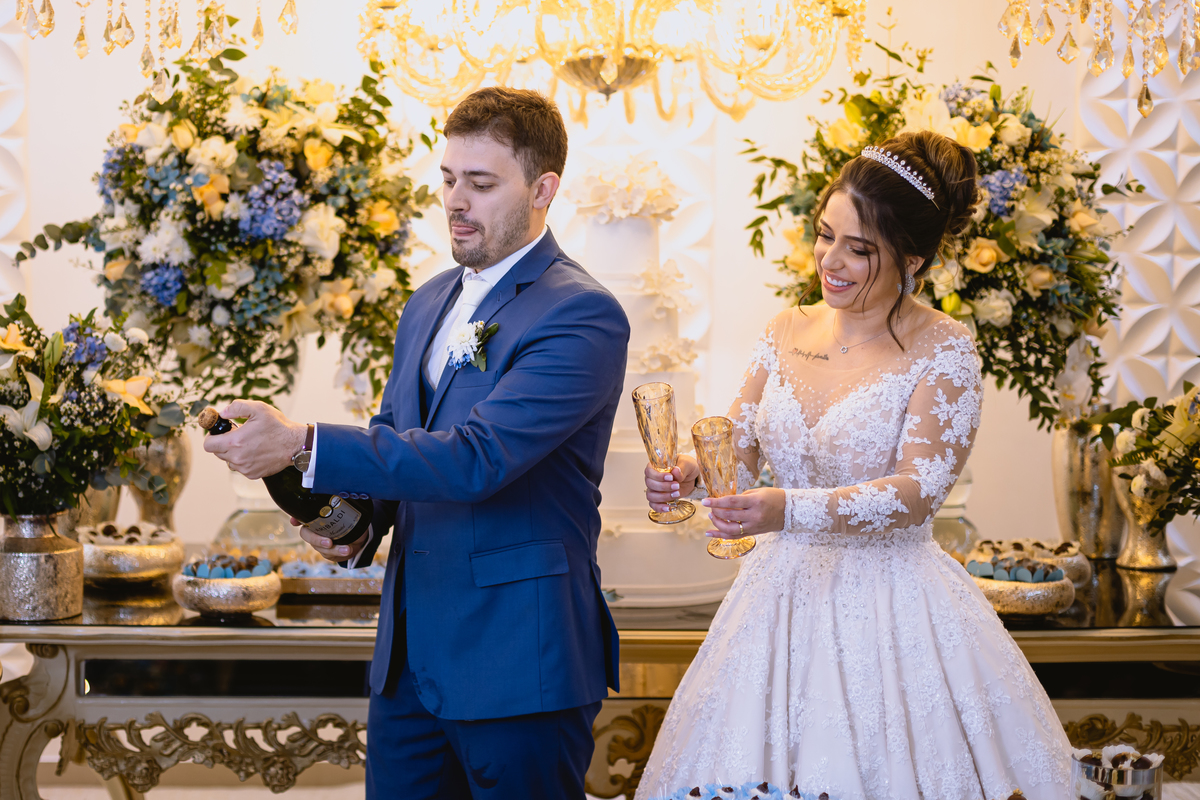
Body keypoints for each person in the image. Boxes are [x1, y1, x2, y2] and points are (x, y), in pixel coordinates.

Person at [203, 87, 630, 800]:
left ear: (543, 189)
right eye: (449, 178)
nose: (455, 201)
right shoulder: (428, 300)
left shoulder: (581, 314)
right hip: (408, 664)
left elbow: (476, 459)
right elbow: (395, 434)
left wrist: (303, 440)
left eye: (481, 183)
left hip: (517, 661)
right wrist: (356, 521)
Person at [635, 130, 1071, 800]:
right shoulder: (784, 329)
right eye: (825, 234)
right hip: (776, 598)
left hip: (893, 604)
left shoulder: (945, 348)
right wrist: (692, 471)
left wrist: (785, 509)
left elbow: (918, 492)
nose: (830, 261)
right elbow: (740, 448)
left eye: (859, 249)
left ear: (912, 259)